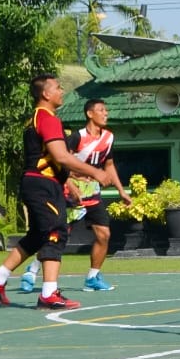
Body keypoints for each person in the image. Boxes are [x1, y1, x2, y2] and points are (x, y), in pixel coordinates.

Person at [0, 74, 110, 310]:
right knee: (55, 231)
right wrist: (96, 172)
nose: (62, 91)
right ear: (46, 94)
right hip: (42, 185)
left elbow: (47, 158)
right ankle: (49, 294)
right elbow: (62, 156)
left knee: (39, 235)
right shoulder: (48, 118)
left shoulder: (37, 118)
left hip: (41, 182)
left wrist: (68, 181)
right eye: (58, 88)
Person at [66, 98, 132, 291]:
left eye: (106, 110)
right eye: (101, 110)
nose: (106, 113)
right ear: (89, 114)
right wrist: (70, 185)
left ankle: (92, 277)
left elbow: (109, 166)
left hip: (93, 192)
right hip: (71, 191)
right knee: (58, 235)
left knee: (104, 234)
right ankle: (33, 269)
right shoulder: (76, 137)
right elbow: (61, 164)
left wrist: (121, 191)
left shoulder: (108, 138)